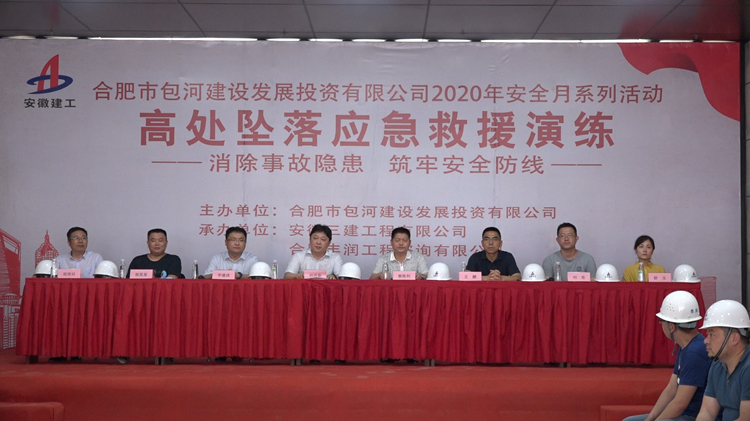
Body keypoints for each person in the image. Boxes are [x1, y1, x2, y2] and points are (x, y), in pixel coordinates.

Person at [622, 291, 711, 421]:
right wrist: (651, 418)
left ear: (671, 326)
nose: (661, 325)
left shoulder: (695, 352)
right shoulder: (685, 346)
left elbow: (680, 404)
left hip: (690, 416)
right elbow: (671, 389)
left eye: (661, 321)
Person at [695, 300, 750, 421]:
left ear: (734, 338)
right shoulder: (718, 365)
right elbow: (707, 411)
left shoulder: (748, 368)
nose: (706, 340)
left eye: (712, 335)